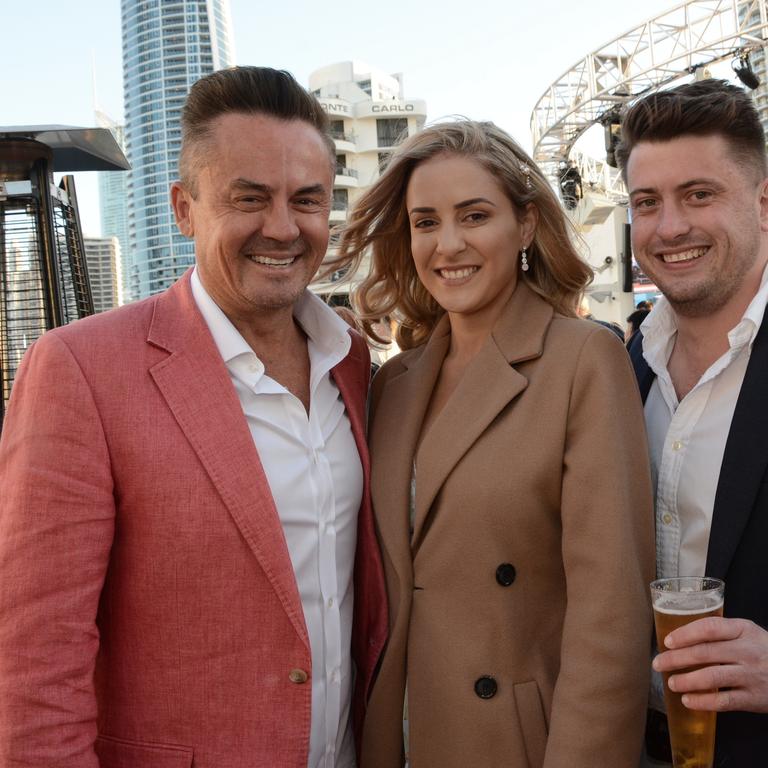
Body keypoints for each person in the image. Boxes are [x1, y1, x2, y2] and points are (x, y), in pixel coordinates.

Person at [0, 66, 387, 767]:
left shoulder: (352, 362)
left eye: (307, 200)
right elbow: (34, 662)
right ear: (184, 210)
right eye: (249, 198)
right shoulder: (81, 371)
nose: (282, 227)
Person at [336, 120, 655, 767]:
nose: (447, 243)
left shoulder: (582, 359)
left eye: (474, 215)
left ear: (527, 224)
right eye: (425, 222)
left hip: (514, 747)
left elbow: (610, 621)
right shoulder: (395, 382)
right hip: (395, 740)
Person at [617, 78, 768, 766]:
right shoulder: (623, 364)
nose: (669, 226)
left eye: (699, 195)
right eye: (647, 203)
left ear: (764, 204)